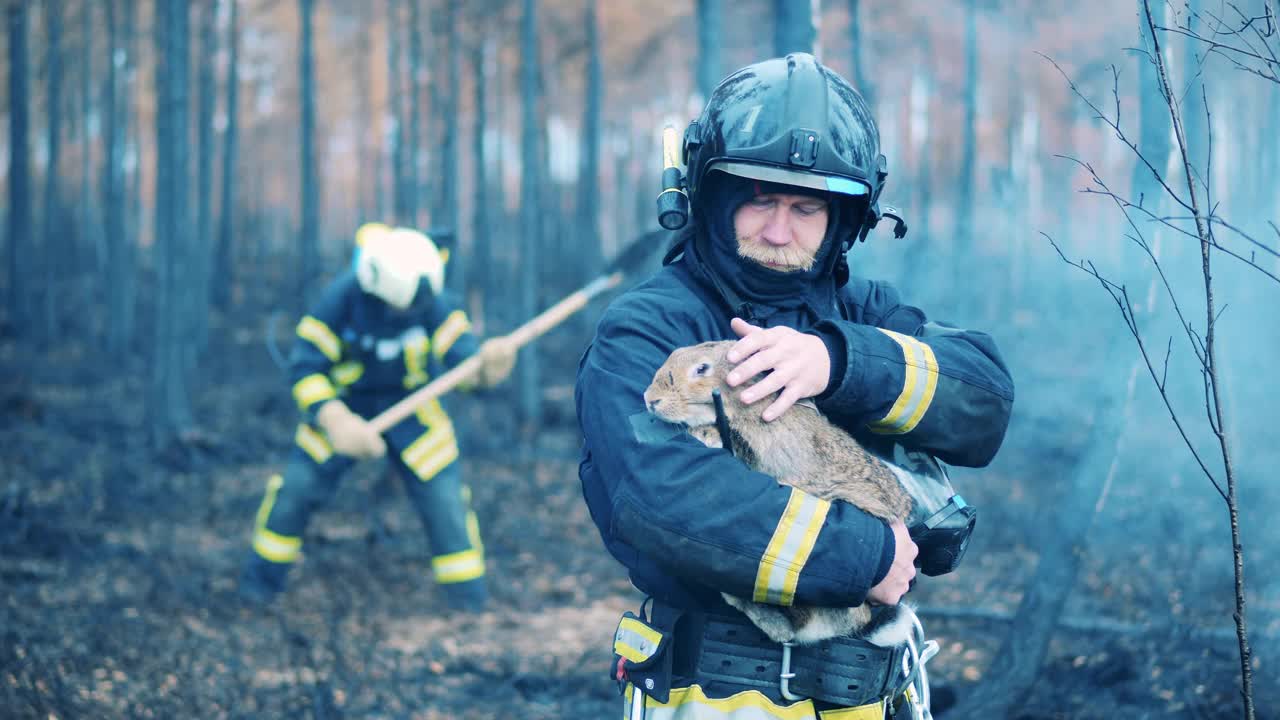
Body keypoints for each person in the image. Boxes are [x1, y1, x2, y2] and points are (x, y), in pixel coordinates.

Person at [575, 53, 1014, 718]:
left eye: (805, 207)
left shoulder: (862, 314)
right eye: (759, 200)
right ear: (712, 199)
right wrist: (865, 553)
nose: (779, 231)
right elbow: (660, 494)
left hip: (874, 691)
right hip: (718, 697)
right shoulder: (651, 326)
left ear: (844, 219)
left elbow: (984, 402)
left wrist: (840, 365)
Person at [239, 223, 517, 612]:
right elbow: (304, 369)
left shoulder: (432, 299)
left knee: (446, 504)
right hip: (342, 408)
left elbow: (462, 363)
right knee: (294, 493)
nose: (409, 313)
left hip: (413, 409)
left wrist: (486, 369)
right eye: (401, 307)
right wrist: (334, 419)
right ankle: (257, 588)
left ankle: (468, 605)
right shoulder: (339, 301)